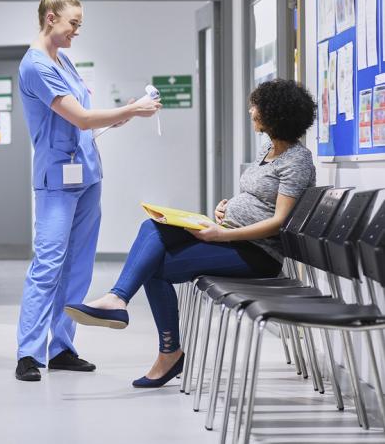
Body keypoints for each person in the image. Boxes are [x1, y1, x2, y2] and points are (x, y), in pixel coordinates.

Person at [65, 78, 317, 388]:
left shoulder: (297, 160)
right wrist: (228, 208)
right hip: (232, 234)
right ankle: (119, 303)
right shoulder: (269, 149)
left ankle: (162, 347)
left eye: (257, 106)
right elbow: (258, 197)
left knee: (154, 268)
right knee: (153, 224)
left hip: (257, 253)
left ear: (275, 114)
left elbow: (279, 221)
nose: (252, 110)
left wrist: (221, 235)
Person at [15, 0, 161, 382]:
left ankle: (62, 347)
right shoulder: (36, 65)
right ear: (50, 18)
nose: (77, 31)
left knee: (78, 266)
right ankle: (28, 353)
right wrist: (131, 110)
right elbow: (79, 116)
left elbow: (83, 118)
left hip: (87, 175)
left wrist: (124, 112)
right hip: (57, 181)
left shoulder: (63, 59)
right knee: (48, 264)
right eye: (73, 24)